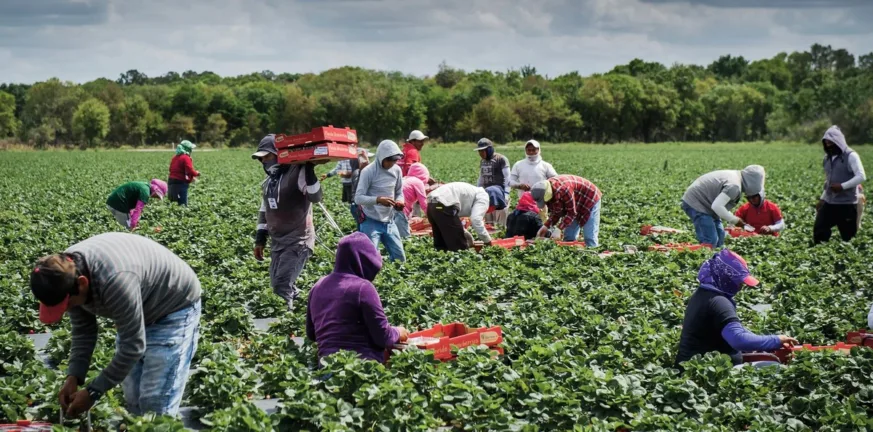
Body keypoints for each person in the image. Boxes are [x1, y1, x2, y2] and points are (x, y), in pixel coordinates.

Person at [29, 232, 201, 417]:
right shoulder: (64, 274)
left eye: (68, 305)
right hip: (137, 305)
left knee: (155, 402)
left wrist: (93, 392)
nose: (68, 309)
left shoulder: (115, 281)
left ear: (82, 283)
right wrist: (74, 376)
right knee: (133, 397)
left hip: (173, 307)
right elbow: (83, 331)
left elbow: (132, 347)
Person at [675, 249, 797, 369]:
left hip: (692, 368)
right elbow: (739, 339)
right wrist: (775, 340)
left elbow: (739, 332)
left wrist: (766, 344)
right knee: (777, 368)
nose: (740, 286)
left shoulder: (703, 294)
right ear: (725, 277)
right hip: (707, 372)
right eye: (738, 281)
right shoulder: (720, 303)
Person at [306, 232, 409, 363]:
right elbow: (383, 337)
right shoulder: (363, 288)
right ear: (365, 260)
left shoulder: (318, 286)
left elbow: (311, 333)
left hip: (327, 367)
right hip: (361, 368)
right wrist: (398, 332)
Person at [252, 134, 323, 311]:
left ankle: (285, 326)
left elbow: (315, 196)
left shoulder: (296, 172)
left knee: (281, 285)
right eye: (260, 159)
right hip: (278, 241)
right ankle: (310, 307)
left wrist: (308, 169)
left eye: (266, 156)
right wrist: (260, 239)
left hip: (298, 240)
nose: (263, 162)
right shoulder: (270, 181)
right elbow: (264, 210)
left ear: (278, 154)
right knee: (278, 282)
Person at [681, 165, 766, 248]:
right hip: (697, 203)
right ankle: (704, 258)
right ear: (753, 183)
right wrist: (736, 221)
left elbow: (719, 206)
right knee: (710, 240)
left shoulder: (736, 179)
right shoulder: (734, 186)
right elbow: (717, 206)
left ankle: (716, 259)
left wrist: (738, 221)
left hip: (707, 205)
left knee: (720, 236)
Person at [355, 140, 406, 262]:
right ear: (381, 157)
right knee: (369, 259)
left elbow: (399, 192)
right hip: (370, 220)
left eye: (395, 160)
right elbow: (358, 198)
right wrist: (378, 200)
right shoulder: (368, 171)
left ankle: (395, 280)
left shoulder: (397, 170)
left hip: (389, 221)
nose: (392, 163)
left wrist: (399, 202)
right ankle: (369, 280)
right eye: (389, 160)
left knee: (400, 258)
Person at [814, 126, 867, 244]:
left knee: (848, 238)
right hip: (830, 202)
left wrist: (842, 186)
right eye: (826, 143)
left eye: (831, 142)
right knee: (819, 231)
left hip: (847, 204)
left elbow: (861, 176)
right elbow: (828, 182)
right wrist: (822, 199)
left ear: (838, 141)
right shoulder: (827, 158)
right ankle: (820, 253)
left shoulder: (851, 156)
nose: (828, 145)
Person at [426, 183, 506, 252]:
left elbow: (451, 221)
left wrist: (463, 231)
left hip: (433, 205)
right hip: (443, 205)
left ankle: (441, 265)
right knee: (459, 247)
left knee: (441, 243)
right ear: (495, 202)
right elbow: (476, 220)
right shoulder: (484, 198)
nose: (492, 211)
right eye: (495, 208)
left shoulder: (475, 192)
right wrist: (488, 241)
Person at [531, 175, 602, 247]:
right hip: (574, 202)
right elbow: (556, 212)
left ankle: (592, 252)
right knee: (569, 236)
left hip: (589, 198)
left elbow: (571, 213)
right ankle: (571, 253)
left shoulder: (564, 189)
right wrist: (546, 226)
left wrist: (559, 229)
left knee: (589, 236)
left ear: (548, 194)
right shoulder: (547, 190)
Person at [476, 138, 511, 228]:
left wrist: (506, 195)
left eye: (483, 151)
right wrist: (477, 191)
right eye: (479, 151)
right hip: (487, 195)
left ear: (489, 149)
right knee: (488, 222)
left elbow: (508, 178)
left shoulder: (501, 159)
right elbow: (481, 178)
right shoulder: (483, 161)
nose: (481, 153)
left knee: (500, 223)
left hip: (500, 195)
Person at [397, 163, 431, 239]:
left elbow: (409, 201)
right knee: (405, 238)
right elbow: (424, 204)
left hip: (390, 208)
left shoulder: (405, 179)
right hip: (400, 210)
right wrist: (432, 217)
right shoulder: (418, 182)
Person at [167, 140, 200, 206]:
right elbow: (189, 169)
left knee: (173, 202)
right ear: (188, 149)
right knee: (182, 204)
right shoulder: (186, 157)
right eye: (191, 149)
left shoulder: (175, 157)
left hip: (171, 181)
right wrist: (196, 173)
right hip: (180, 182)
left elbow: (171, 169)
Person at [350, 148, 374, 231]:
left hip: (358, 206)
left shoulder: (357, 172)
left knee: (362, 228)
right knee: (364, 229)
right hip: (358, 206)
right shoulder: (357, 172)